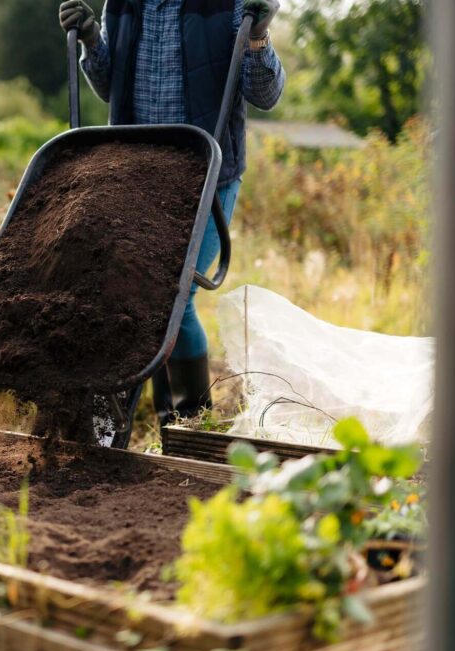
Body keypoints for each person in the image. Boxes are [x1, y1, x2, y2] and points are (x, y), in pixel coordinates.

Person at [59, 0, 285, 429]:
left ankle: (189, 425)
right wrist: (91, 40)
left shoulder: (229, 4)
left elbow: (265, 95)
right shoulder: (124, 5)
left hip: (208, 171)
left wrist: (258, 35)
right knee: (120, 291)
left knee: (174, 299)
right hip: (136, 172)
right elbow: (112, 88)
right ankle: (123, 426)